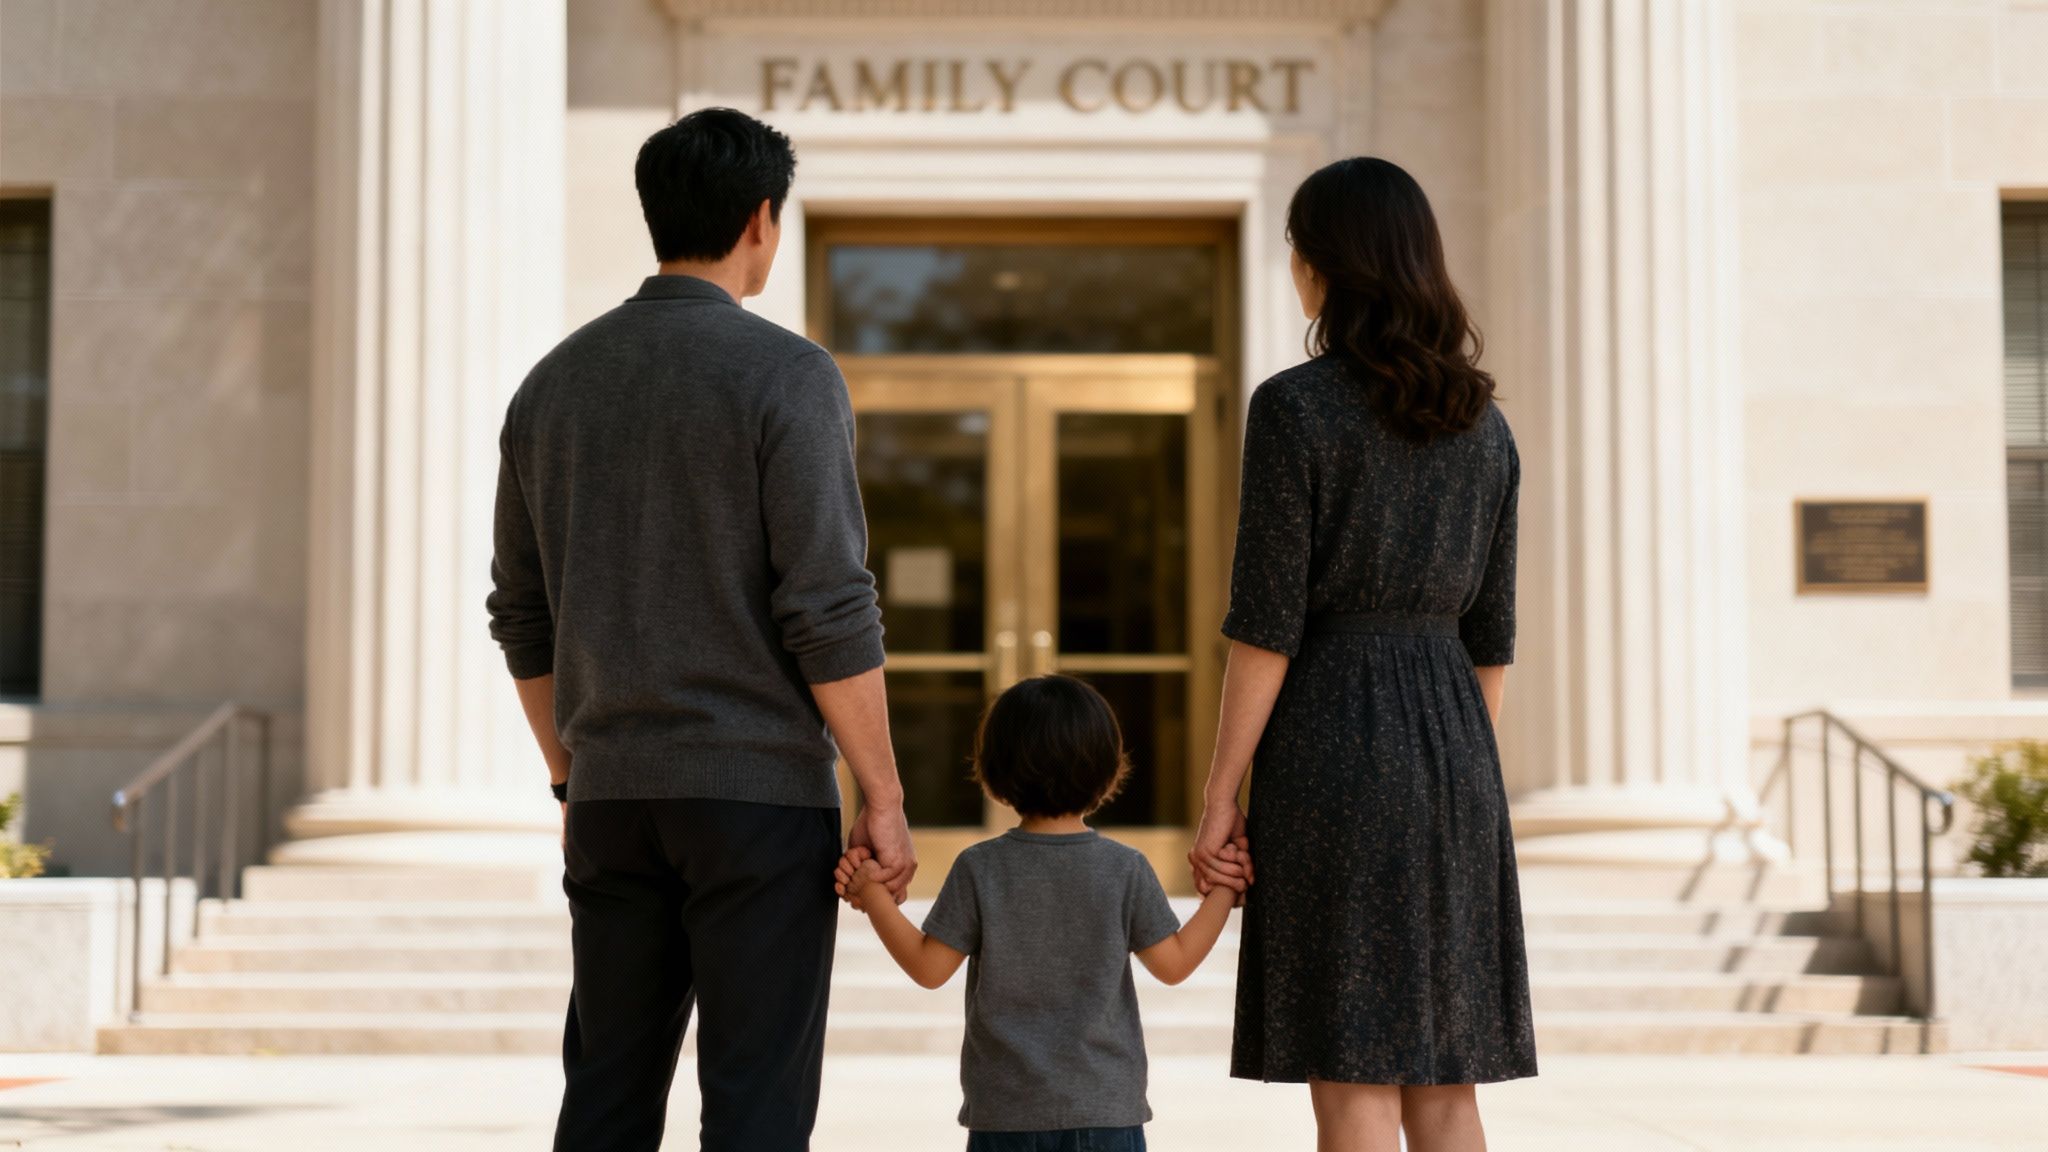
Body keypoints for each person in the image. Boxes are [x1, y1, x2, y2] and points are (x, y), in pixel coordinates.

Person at [486, 106, 916, 1152]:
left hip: (611, 796)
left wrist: (565, 775)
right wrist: (884, 793)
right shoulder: (787, 374)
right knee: (755, 1103)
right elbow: (824, 602)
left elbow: (522, 614)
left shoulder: (551, 385)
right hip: (757, 798)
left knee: (605, 1097)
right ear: (760, 221)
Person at [1188, 156, 1538, 1152]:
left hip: (1332, 739)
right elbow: (1492, 639)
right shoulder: (1486, 427)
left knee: (1349, 1076)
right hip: (1458, 753)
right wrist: (1459, 776)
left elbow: (1265, 624)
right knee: (1442, 1080)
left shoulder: (1294, 408)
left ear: (1320, 266)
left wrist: (1222, 791)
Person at [836, 675, 1242, 1152]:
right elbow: (1175, 965)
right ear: (1109, 769)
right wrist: (1225, 887)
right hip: (1104, 1115)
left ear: (995, 772)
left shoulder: (980, 867)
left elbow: (928, 969)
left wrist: (874, 896)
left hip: (1005, 1118)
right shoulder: (1124, 868)